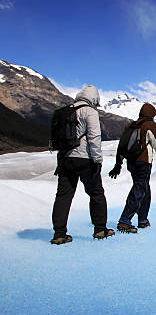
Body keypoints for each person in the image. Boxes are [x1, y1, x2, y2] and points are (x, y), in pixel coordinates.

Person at [50, 85, 114, 244]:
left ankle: (59, 234)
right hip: (85, 159)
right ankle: (100, 229)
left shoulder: (65, 111)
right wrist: (98, 160)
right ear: (94, 99)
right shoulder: (89, 112)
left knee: (63, 196)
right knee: (96, 193)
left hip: (65, 159)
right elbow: (94, 137)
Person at [109, 103, 156, 233]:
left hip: (131, 162)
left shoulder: (131, 125)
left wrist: (118, 164)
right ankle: (125, 220)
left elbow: (122, 146)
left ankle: (143, 219)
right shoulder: (149, 125)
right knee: (139, 188)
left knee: (144, 188)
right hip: (143, 162)